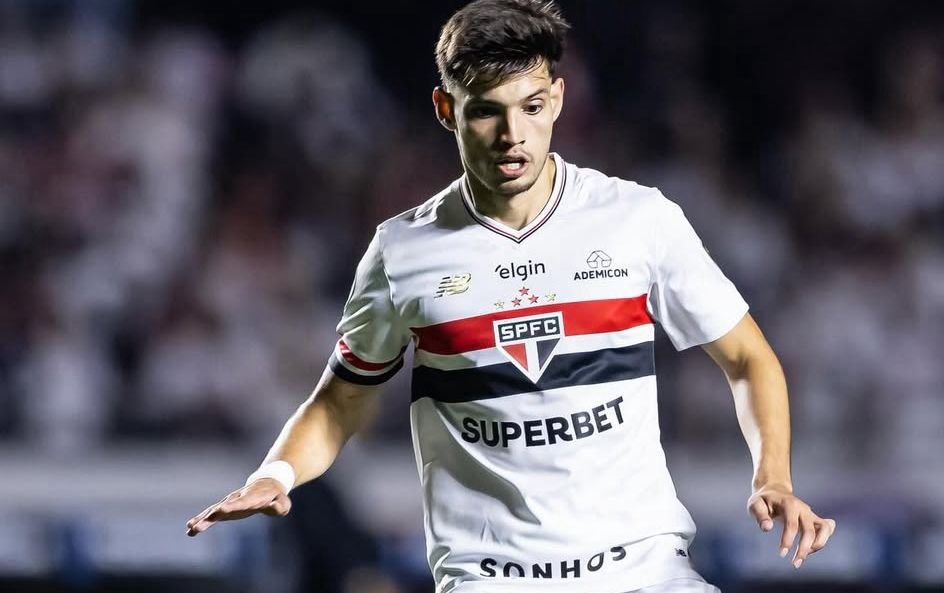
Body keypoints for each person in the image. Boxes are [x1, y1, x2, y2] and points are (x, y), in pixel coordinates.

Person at [186, 1, 836, 591]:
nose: (511, 134)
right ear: (447, 110)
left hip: (644, 575)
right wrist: (277, 473)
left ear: (556, 98)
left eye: (529, 106)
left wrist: (771, 474)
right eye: (485, 110)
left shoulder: (639, 218)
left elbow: (748, 357)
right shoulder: (402, 251)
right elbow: (339, 400)